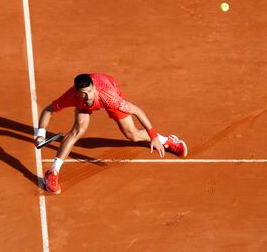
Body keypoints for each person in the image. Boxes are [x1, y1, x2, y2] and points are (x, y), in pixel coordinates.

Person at [34, 73, 187, 194]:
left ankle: (167, 140)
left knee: (132, 134)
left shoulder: (110, 98)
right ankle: (52, 172)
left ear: (93, 88)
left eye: (89, 92)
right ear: (77, 93)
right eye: (83, 94)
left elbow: (138, 111)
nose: (87, 97)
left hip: (109, 90)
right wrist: (40, 135)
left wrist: (153, 136)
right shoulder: (72, 97)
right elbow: (48, 110)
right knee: (78, 130)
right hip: (88, 102)